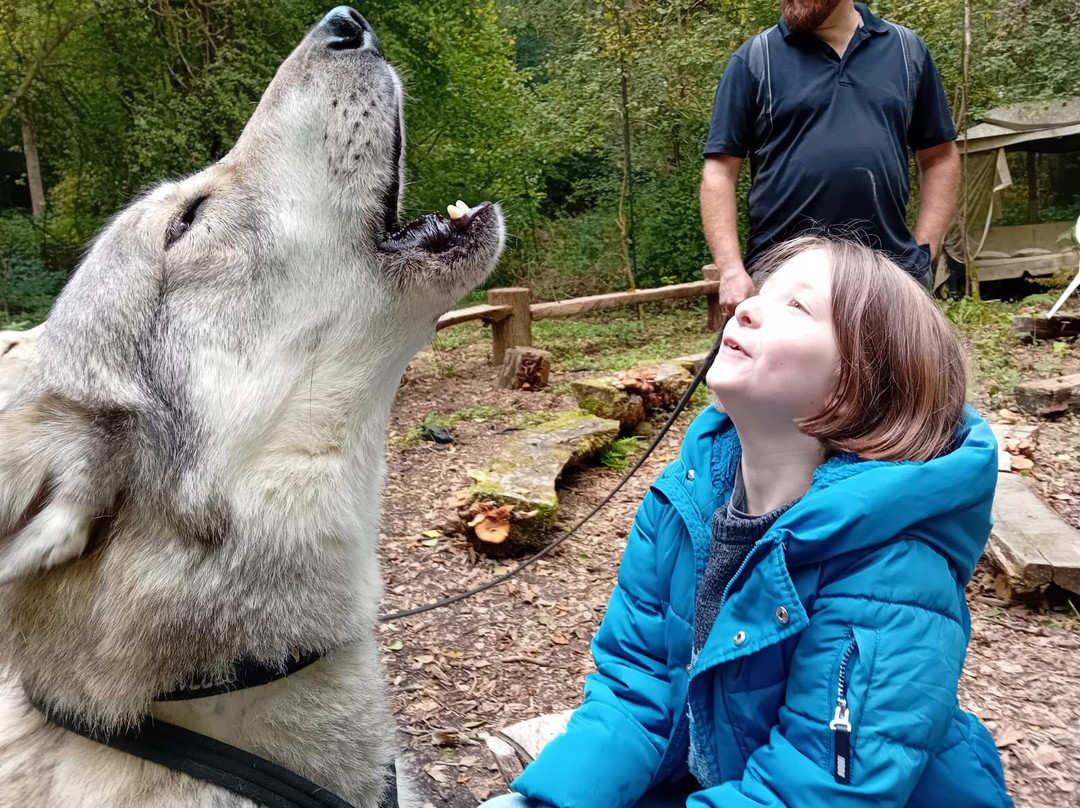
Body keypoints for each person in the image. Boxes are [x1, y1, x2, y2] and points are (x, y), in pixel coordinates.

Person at [478, 237, 1014, 808]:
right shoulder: (683, 501)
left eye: (797, 306)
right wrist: (554, 801)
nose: (747, 307)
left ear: (861, 385)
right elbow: (638, 687)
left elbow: (813, 790)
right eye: (762, 293)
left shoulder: (894, 573)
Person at [701, 1, 960, 311]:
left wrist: (923, 253)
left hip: (886, 277)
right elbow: (719, 171)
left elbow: (940, 157)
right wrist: (731, 270)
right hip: (780, 278)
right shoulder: (756, 58)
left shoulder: (906, 51)